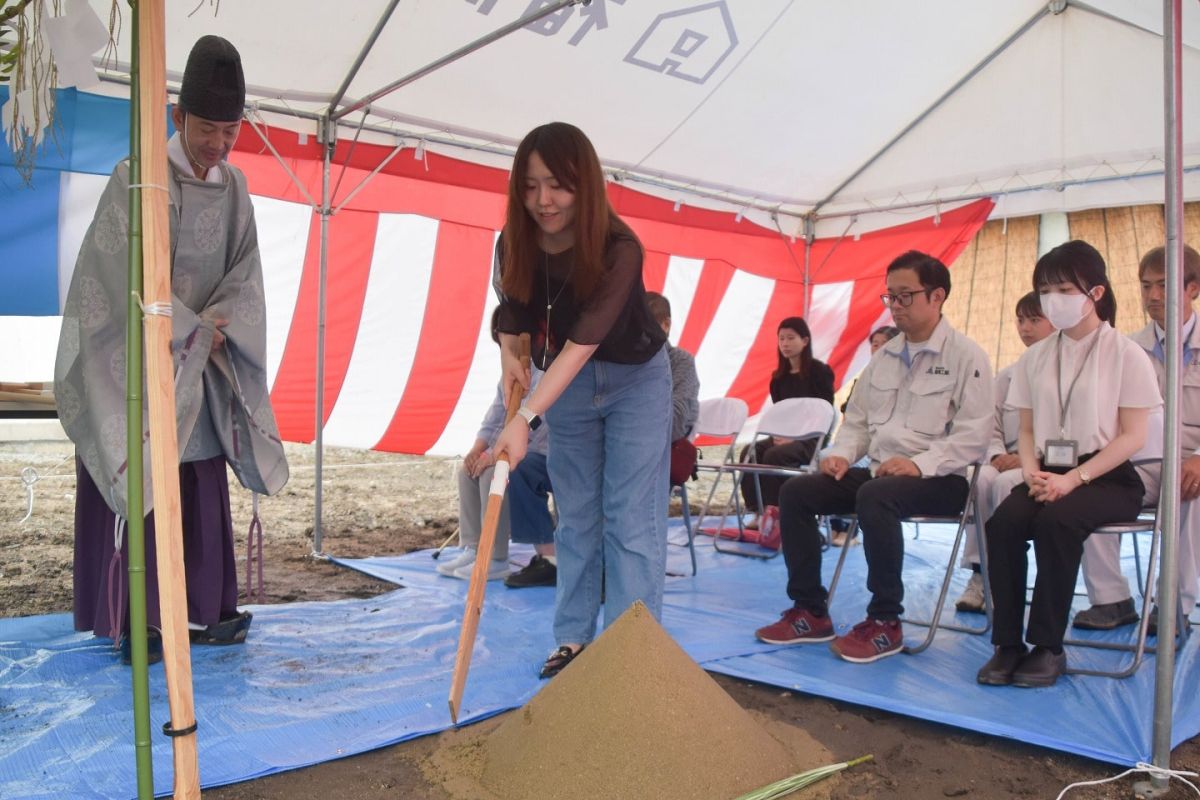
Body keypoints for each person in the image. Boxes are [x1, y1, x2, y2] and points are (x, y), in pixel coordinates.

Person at [56, 36, 288, 662]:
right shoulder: (136, 180)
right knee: (147, 474)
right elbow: (109, 283)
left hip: (204, 361)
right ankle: (141, 619)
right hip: (133, 361)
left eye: (230, 131)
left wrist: (213, 327)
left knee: (198, 480)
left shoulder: (236, 189)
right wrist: (177, 327)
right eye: (206, 128)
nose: (217, 144)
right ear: (178, 116)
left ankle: (206, 609)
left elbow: (248, 277)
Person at [490, 122, 672, 679]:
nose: (543, 201)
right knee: (574, 518)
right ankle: (572, 639)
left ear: (586, 184)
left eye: (558, 185)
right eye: (530, 185)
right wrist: (509, 358)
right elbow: (514, 312)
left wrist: (523, 416)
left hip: (633, 382)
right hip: (565, 389)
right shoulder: (512, 240)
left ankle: (629, 652)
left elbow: (583, 342)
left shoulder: (619, 249)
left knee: (629, 519)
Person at [754, 251, 993, 663]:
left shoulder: (967, 356)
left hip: (942, 481)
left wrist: (920, 464)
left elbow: (974, 437)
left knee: (875, 495)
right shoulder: (883, 357)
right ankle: (810, 611)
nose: (895, 307)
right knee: (797, 491)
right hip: (879, 475)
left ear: (937, 296)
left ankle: (886, 622)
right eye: (891, 298)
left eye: (905, 297)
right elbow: (858, 424)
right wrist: (841, 455)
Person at [977, 240, 1158, 688]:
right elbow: (1026, 428)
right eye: (1044, 290)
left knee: (1056, 523)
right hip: (1047, 473)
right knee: (1004, 523)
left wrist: (1074, 479)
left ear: (1095, 292)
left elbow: (1133, 437)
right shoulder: (1036, 356)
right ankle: (1007, 645)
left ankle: (1047, 646)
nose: (1051, 299)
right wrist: (1033, 472)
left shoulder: (1125, 353)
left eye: (1062, 288)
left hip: (1107, 477)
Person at [1072, 244, 1200, 632]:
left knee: (1193, 489)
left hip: (1194, 462)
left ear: (1193, 288)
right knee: (1087, 485)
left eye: (1164, 285)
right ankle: (1112, 600)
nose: (1154, 296)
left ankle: (1174, 605)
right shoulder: (1124, 349)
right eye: (1146, 287)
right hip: (1140, 461)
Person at [438, 313, 557, 587]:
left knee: (494, 473)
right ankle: (472, 547)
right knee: (467, 472)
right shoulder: (509, 374)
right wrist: (477, 449)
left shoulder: (546, 371)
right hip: (510, 447)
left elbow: (538, 426)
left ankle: (496, 556)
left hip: (539, 451)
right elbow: (495, 417)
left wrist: (494, 456)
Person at [955, 292, 1055, 612]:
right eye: (1021, 320)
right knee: (979, 478)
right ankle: (980, 573)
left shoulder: (1068, 373)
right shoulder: (1008, 376)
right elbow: (989, 423)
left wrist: (1029, 458)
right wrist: (996, 454)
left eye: (1034, 320)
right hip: (1003, 460)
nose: (1025, 328)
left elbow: (1071, 433)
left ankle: (1006, 576)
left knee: (1004, 484)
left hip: (1043, 465)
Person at [740, 317, 836, 527]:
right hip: (785, 436)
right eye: (781, 338)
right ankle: (757, 510)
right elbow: (781, 415)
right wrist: (780, 435)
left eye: (791, 338)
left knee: (775, 454)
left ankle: (776, 513)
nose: (785, 343)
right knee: (750, 451)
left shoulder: (820, 372)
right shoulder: (778, 379)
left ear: (805, 340)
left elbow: (824, 412)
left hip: (811, 439)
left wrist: (794, 438)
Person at [829, 325, 900, 546]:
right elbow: (851, 418)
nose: (876, 348)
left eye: (882, 344)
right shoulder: (865, 379)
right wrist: (842, 450)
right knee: (829, 461)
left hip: (885, 448)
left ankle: (851, 529)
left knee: (857, 467)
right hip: (860, 442)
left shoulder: (905, 377)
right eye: (874, 344)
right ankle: (835, 526)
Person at [644, 291, 700, 483]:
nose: (639, 336)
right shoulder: (627, 363)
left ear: (666, 325)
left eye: (646, 328)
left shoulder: (681, 362)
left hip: (662, 450)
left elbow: (676, 421)